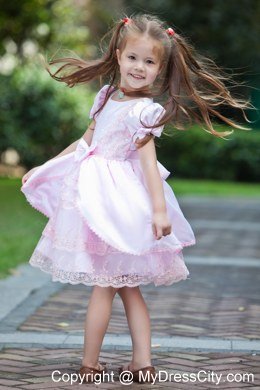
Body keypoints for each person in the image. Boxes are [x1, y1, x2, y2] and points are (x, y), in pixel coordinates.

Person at [21, 14, 250, 383]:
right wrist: (47, 165)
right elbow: (86, 143)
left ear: (160, 69)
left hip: (121, 206)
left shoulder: (145, 111)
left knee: (110, 285)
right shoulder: (106, 95)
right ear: (118, 54)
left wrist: (160, 212)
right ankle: (138, 363)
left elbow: (148, 164)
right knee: (125, 286)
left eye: (149, 62)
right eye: (133, 58)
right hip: (96, 203)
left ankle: (94, 365)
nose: (139, 67)